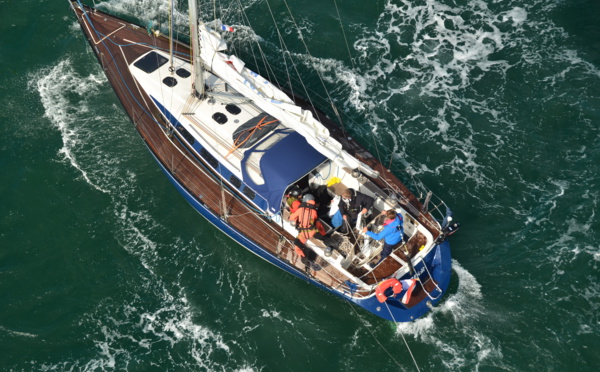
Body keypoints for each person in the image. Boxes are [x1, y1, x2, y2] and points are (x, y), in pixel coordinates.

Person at [289, 194, 326, 262]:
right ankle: (324, 237)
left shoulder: (300, 210)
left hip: (303, 234)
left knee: (297, 247)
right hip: (312, 232)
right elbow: (315, 220)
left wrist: (293, 217)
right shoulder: (314, 211)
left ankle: (305, 258)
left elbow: (291, 217)